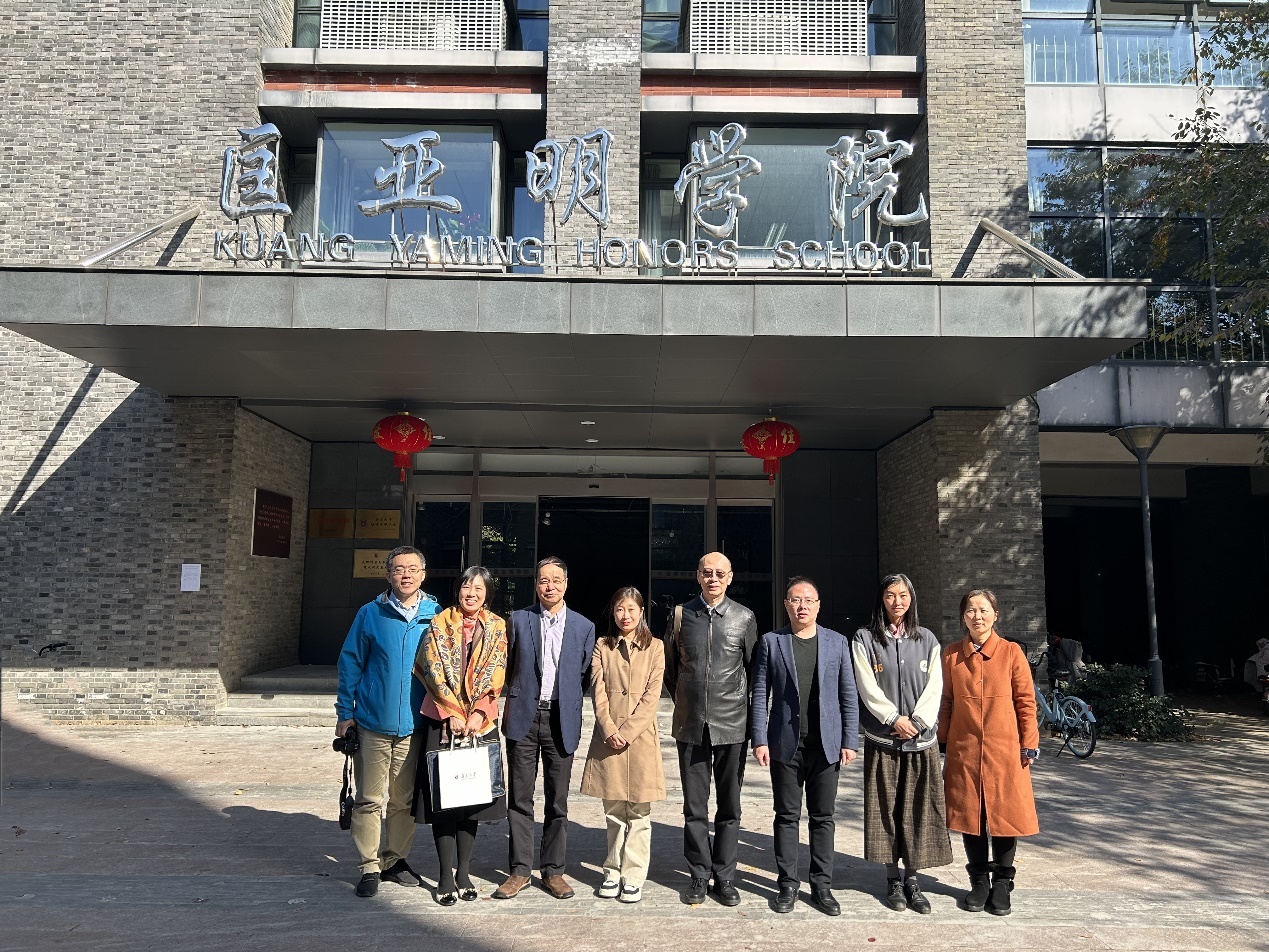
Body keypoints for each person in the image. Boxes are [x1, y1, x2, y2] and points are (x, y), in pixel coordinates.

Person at [334, 546, 441, 898]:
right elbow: (351, 662)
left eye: (412, 569)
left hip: (414, 725)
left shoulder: (436, 615)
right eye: (398, 569)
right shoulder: (370, 613)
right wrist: (345, 713)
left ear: (423, 574)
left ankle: (394, 860)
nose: (405, 574)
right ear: (388, 575)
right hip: (372, 723)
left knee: (403, 800)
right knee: (368, 799)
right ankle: (369, 866)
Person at [750, 576, 859, 917]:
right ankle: (787, 883)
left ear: (818, 606)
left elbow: (848, 694)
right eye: (795, 600)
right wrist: (760, 738)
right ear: (786, 605)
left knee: (823, 817)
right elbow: (759, 693)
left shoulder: (837, 643)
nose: (802, 606)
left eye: (808, 600)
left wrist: (850, 740)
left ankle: (822, 886)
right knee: (786, 816)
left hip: (826, 746)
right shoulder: (772, 642)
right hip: (785, 744)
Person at [494, 556, 597, 900]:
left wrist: (565, 701)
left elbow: (583, 675)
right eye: (543, 580)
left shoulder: (584, 626)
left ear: (566, 584)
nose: (549, 586)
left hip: (560, 719)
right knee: (520, 798)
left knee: (558, 801)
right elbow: (507, 666)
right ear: (536, 585)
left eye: (556, 580)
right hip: (524, 716)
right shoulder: (518, 620)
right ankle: (520, 870)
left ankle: (553, 871)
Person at [851, 573, 953, 915]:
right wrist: (894, 718)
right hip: (884, 738)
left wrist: (918, 722)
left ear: (912, 599)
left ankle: (912, 879)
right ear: (881, 599)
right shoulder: (865, 639)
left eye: (904, 595)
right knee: (886, 809)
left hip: (921, 741)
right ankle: (892, 878)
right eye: (891, 595)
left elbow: (935, 686)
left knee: (919, 809)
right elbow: (866, 686)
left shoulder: (928, 639)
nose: (897, 601)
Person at [664, 551, 759, 906]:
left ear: (730, 577)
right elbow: (671, 670)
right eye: (707, 572)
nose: (713, 578)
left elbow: (753, 672)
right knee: (694, 807)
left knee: (729, 807)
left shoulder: (744, 617)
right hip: (691, 725)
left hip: (732, 726)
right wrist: (688, 701)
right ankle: (699, 875)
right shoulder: (680, 615)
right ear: (698, 576)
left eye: (720, 573)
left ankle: (725, 876)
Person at [939, 589, 1040, 917]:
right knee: (971, 815)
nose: (977, 616)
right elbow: (946, 701)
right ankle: (979, 881)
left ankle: (1002, 883)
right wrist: (942, 740)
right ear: (963, 617)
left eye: (984, 610)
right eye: (971, 610)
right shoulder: (952, 655)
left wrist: (1029, 742)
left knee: (1005, 815)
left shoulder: (1011, 652)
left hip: (1005, 749)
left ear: (996, 615)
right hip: (964, 749)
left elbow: (1025, 701)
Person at [412, 566, 508, 906]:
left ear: (487, 593)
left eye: (479, 588)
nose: (472, 593)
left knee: (471, 799)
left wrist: (479, 712)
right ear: (458, 590)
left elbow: (498, 669)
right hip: (442, 718)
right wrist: (451, 712)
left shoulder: (497, 626)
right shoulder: (440, 623)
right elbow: (432, 667)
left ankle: (464, 873)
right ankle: (443, 876)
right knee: (445, 799)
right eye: (467, 586)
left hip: (480, 721)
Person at [579, 586, 667, 904]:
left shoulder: (656, 647)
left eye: (631, 609)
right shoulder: (603, 646)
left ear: (641, 611)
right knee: (614, 810)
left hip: (640, 739)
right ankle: (612, 871)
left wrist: (627, 732)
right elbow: (597, 691)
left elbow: (652, 696)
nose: (625, 615)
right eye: (619, 609)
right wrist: (609, 728)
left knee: (640, 812)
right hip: (609, 739)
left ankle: (634, 875)